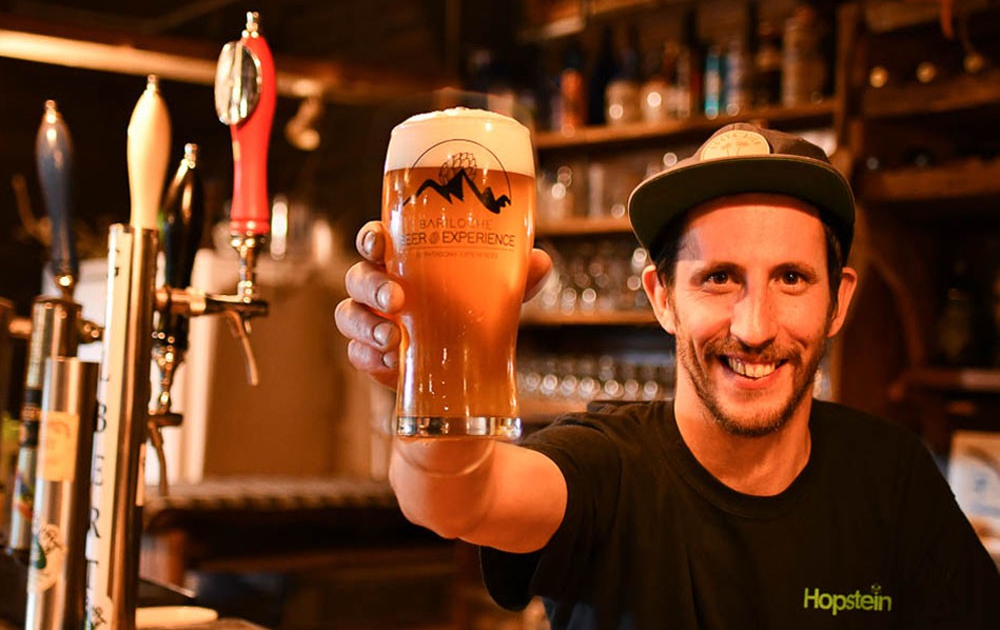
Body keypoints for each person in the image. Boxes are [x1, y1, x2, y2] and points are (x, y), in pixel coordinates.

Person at [335, 122, 1000, 629]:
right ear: (662, 297)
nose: (754, 327)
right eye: (719, 278)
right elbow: (455, 498)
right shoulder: (605, 469)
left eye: (792, 278)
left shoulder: (891, 474)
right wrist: (433, 370)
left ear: (839, 301)